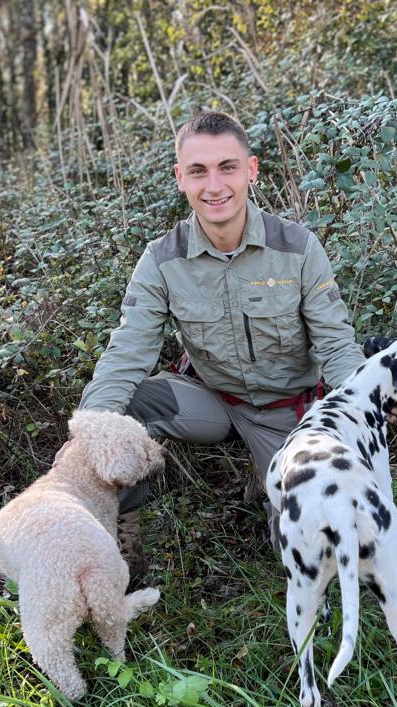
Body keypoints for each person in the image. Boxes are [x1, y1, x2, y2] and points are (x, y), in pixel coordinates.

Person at [78, 110, 365, 577]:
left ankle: (271, 475)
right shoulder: (161, 259)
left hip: (283, 415)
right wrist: (87, 433)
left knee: (309, 556)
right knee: (114, 415)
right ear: (180, 178)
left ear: (251, 170)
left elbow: (337, 344)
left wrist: (361, 411)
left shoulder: (297, 247)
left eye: (227, 167)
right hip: (212, 401)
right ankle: (118, 535)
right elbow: (127, 351)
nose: (214, 185)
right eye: (198, 171)